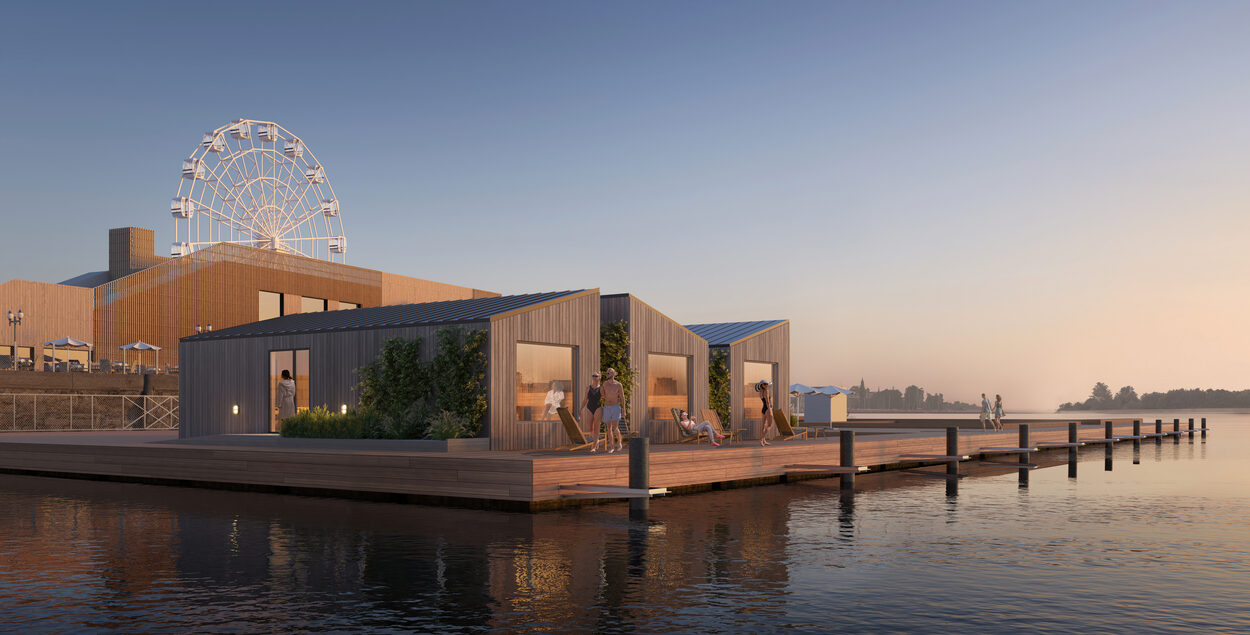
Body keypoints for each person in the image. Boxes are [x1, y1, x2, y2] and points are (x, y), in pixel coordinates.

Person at [600, 367, 625, 453]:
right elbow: (602, 394)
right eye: (607, 372)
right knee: (608, 428)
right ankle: (612, 447)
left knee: (615, 427)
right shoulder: (605, 384)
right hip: (607, 407)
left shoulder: (618, 385)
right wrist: (603, 395)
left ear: (614, 374)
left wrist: (623, 410)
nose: (607, 374)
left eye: (609, 372)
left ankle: (619, 442)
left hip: (615, 407)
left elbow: (622, 397)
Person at [582, 371, 605, 453]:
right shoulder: (588, 388)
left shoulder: (601, 388)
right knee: (590, 428)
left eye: (596, 376)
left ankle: (594, 445)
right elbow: (585, 400)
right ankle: (597, 439)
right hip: (589, 408)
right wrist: (580, 410)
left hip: (598, 408)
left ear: (600, 377)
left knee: (596, 427)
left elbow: (605, 397)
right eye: (593, 376)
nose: (594, 377)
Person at [757, 379, 775, 447]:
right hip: (767, 408)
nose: (766, 385)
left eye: (767, 384)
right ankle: (762, 439)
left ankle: (764, 440)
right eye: (765, 384)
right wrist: (769, 410)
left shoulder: (760, 392)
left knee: (764, 425)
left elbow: (764, 401)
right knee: (770, 425)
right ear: (762, 385)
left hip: (763, 409)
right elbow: (767, 401)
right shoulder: (766, 391)